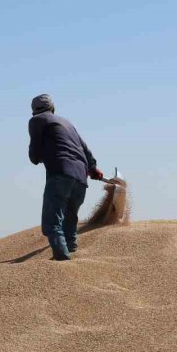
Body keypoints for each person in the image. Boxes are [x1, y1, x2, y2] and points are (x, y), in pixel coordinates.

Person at [28, 94, 103, 260]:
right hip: (81, 177)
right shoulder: (67, 123)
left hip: (60, 173)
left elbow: (34, 155)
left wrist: (39, 156)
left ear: (34, 112)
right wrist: (93, 168)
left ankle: (62, 261)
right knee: (70, 220)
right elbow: (84, 148)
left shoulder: (37, 120)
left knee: (52, 222)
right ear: (53, 108)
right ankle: (72, 255)